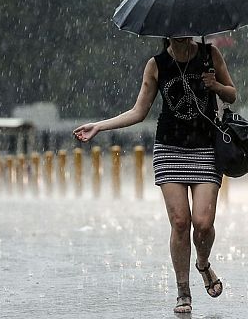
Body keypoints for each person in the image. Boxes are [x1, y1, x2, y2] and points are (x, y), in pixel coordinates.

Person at [73, 37, 236, 313]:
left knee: (204, 223)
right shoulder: (157, 64)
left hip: (206, 148)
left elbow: (232, 94)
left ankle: (203, 263)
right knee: (181, 222)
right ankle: (183, 290)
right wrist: (99, 126)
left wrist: (216, 85)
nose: (180, 34)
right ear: (166, 32)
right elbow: (139, 111)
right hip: (169, 150)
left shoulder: (211, 54)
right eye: (173, 30)